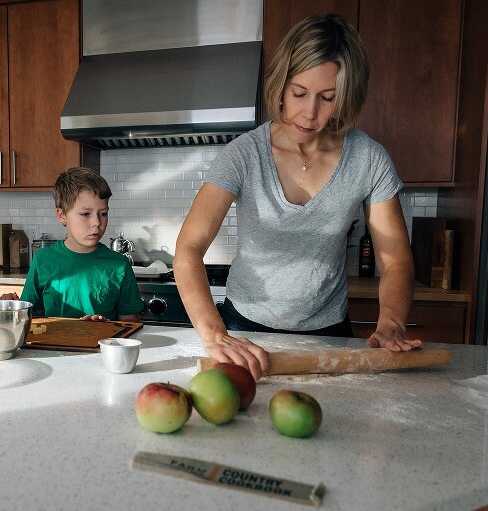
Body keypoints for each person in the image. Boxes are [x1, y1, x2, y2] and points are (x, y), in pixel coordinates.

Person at [173, 14, 422, 380]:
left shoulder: (368, 158)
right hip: (245, 329)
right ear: (281, 85)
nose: (310, 112)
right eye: (299, 93)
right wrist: (214, 335)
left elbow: (396, 260)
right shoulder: (244, 154)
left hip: (330, 335)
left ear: (347, 97)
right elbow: (188, 249)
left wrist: (391, 324)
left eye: (327, 98)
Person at [19, 167, 144, 321]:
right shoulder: (43, 259)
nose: (97, 222)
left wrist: (107, 327)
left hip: (102, 344)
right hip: (52, 345)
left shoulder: (119, 265)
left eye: (103, 213)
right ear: (62, 215)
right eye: (85, 214)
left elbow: (130, 322)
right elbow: (29, 317)